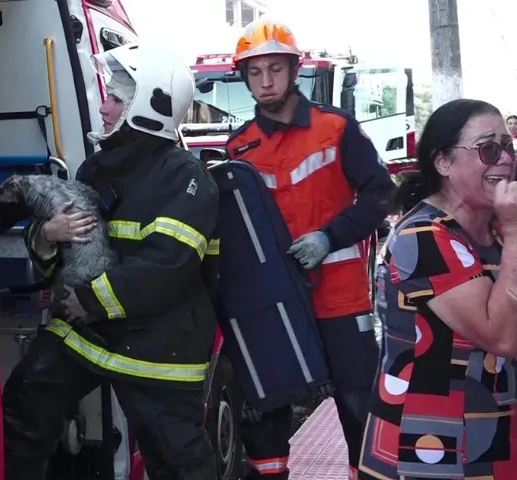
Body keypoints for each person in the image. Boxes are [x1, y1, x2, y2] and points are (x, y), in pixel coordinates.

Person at [1, 41, 221, 480]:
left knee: (177, 460)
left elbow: (167, 267)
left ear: (149, 106)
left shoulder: (185, 177)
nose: (103, 107)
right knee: (24, 406)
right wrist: (46, 236)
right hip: (89, 333)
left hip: (159, 346)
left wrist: (90, 300)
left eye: (116, 98)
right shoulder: (93, 171)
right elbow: (64, 264)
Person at [225, 18, 395, 480]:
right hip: (273, 302)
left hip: (339, 297)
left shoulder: (336, 128)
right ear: (244, 77)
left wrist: (328, 237)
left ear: (294, 69)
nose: (265, 81)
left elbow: (382, 195)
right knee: (266, 408)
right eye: (255, 72)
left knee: (358, 403)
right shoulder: (238, 147)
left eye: (274, 69)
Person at [358, 99, 517, 478]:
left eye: (507, 146)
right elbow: (501, 336)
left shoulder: (492, 229)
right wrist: (514, 232)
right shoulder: (423, 237)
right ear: (443, 162)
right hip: (430, 445)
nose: (505, 159)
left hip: (489, 430)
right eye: (487, 149)